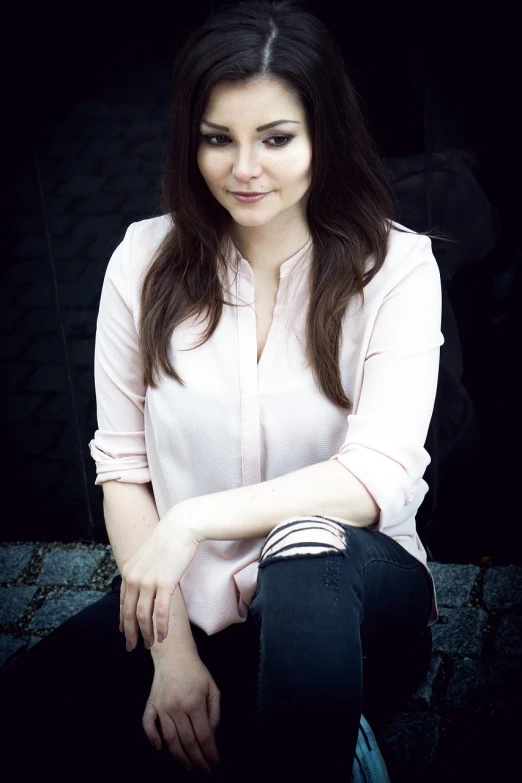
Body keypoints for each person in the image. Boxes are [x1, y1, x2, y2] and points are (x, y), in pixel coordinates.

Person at [1, 1, 448, 780]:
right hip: (191, 604)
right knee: (30, 715)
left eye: (276, 138)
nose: (245, 168)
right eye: (219, 139)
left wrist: (192, 520)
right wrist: (170, 655)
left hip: (353, 600)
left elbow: (379, 474)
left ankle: (335, 745)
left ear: (323, 138)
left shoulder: (397, 267)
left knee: (302, 551)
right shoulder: (143, 261)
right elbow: (123, 467)